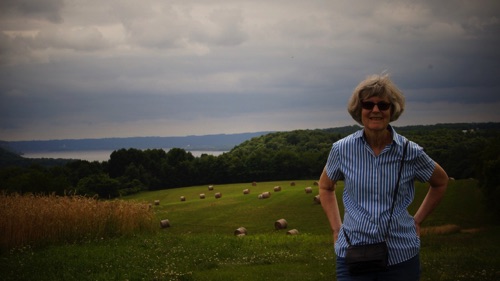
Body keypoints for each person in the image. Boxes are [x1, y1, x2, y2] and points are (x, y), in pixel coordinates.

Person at [319, 73, 448, 280]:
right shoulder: (342, 149)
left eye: (383, 105)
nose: (375, 110)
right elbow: (325, 187)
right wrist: (336, 228)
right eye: (368, 105)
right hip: (353, 253)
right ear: (359, 110)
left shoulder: (409, 151)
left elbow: (440, 182)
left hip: (400, 255)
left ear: (392, 110)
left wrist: (417, 220)